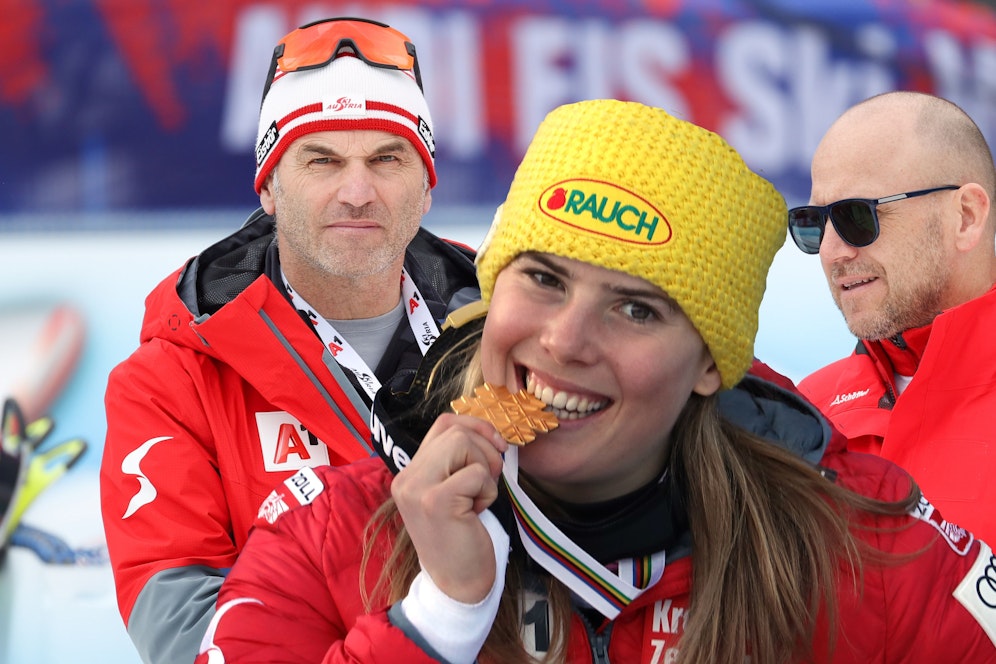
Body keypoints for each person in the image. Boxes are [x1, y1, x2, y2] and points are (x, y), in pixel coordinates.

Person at [195, 100, 996, 664]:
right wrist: (439, 618)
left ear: (712, 363)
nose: (565, 341)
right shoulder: (330, 543)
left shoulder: (869, 542)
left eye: (637, 310)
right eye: (542, 278)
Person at [99, 17, 480, 664]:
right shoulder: (170, 381)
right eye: (322, 160)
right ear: (270, 188)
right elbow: (193, 641)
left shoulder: (506, 327)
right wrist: (434, 623)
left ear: (425, 189)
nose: (357, 192)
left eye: (387, 159)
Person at [787, 91, 996, 543]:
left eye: (856, 216)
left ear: (965, 217)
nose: (831, 251)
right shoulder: (804, 413)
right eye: (814, 222)